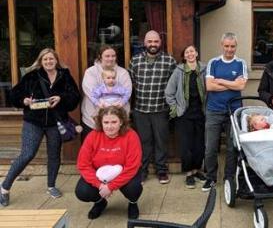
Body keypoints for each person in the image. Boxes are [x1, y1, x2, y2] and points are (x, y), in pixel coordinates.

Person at [1, 48, 81, 206]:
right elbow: (14, 94)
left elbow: (75, 97)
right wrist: (24, 101)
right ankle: (4, 188)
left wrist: (61, 98)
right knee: (27, 153)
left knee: (54, 155)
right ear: (41, 61)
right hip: (33, 121)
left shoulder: (64, 76)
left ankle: (51, 186)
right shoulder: (32, 76)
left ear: (56, 60)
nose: (49, 62)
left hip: (55, 122)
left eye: (51, 59)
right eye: (45, 60)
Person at [75, 106, 142, 219]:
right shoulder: (92, 136)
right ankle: (100, 202)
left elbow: (132, 166)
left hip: (124, 172)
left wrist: (110, 186)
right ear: (101, 123)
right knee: (82, 192)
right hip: (99, 175)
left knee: (133, 188)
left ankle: (133, 203)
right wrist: (100, 185)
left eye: (114, 122)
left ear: (121, 122)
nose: (110, 126)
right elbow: (83, 164)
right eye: (106, 122)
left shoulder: (131, 136)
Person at [129, 30, 177, 184]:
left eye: (155, 41)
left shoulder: (169, 61)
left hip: (160, 109)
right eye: (150, 41)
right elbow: (131, 84)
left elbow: (174, 85)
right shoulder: (135, 61)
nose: (153, 44)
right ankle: (142, 172)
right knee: (144, 142)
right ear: (145, 43)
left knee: (161, 141)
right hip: (141, 109)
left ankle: (161, 171)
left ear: (160, 43)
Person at [202, 32, 248, 192]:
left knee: (231, 147)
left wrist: (220, 80)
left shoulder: (240, 63)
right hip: (214, 110)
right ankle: (210, 178)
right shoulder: (213, 63)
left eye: (232, 46)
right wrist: (231, 84)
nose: (229, 49)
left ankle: (229, 177)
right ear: (222, 45)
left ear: (236, 46)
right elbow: (209, 86)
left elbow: (241, 86)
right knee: (210, 147)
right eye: (227, 46)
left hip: (233, 112)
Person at [165, 45, 207, 189]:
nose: (190, 54)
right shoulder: (179, 71)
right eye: (187, 52)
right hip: (184, 114)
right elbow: (169, 92)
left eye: (192, 51)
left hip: (201, 113)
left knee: (199, 144)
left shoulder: (204, 69)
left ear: (196, 53)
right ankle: (189, 173)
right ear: (184, 56)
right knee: (186, 145)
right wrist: (175, 109)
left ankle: (197, 171)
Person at [81, 46, 132, 141]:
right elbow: (91, 92)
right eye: (107, 56)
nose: (110, 58)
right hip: (92, 120)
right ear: (100, 57)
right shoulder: (91, 72)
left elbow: (127, 92)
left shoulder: (123, 73)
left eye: (113, 56)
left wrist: (119, 104)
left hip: (118, 120)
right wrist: (104, 104)